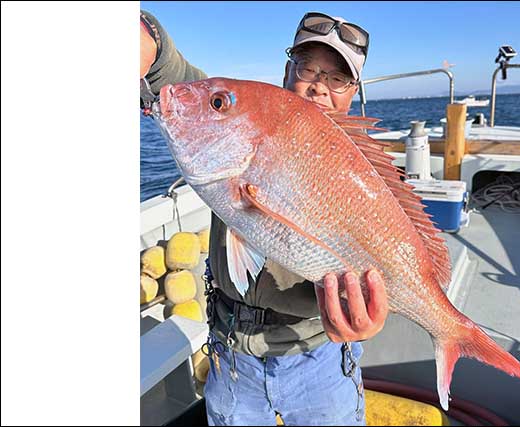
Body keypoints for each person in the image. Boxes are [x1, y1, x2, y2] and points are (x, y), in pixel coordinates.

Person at [140, 10, 389, 426]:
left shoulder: (369, 178)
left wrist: (371, 315)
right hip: (233, 357)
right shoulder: (247, 118)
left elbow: (390, 262)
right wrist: (150, 42)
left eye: (337, 78)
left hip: (319, 358)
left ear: (353, 91)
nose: (318, 87)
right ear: (288, 68)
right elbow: (177, 77)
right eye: (308, 67)